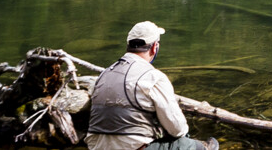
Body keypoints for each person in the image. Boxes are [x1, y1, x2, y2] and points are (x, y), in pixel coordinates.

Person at [87, 21, 219, 150]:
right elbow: (177, 128)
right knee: (187, 142)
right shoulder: (152, 77)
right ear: (155, 47)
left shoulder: (104, 74)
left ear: (128, 45)